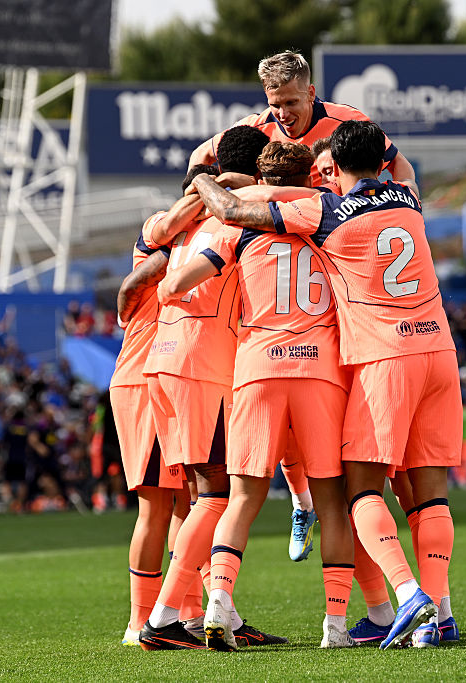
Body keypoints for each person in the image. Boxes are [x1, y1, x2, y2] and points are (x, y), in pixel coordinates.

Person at [191, 120, 461, 649]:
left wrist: (202, 176)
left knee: (360, 489)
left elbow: (231, 210)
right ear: (382, 163)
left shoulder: (325, 211)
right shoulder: (408, 197)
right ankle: (441, 613)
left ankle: (408, 600)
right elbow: (399, 164)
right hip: (441, 352)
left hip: (383, 357)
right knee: (431, 497)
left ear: (333, 169)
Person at [158, 141, 355, 649]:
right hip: (319, 371)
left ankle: (219, 604)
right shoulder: (327, 215)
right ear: (309, 174)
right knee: (331, 501)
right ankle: (335, 626)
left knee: (241, 499)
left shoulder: (237, 226)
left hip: (259, 366)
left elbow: (174, 284)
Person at [135, 126, 286, 651]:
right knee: (217, 493)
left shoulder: (187, 211)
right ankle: (161, 619)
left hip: (165, 359)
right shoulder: (236, 212)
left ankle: (214, 615)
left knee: (201, 496)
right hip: (203, 364)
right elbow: (177, 283)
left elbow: (150, 269)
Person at [110, 207, 191, 648]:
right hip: (146, 382)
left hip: (166, 380)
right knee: (159, 507)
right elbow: (135, 280)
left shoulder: (187, 252)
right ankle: (141, 620)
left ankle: (185, 613)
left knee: (189, 502)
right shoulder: (164, 244)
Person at [188, 51, 417, 190]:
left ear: (310, 92)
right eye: (274, 105)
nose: (283, 114)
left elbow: (399, 165)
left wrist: (408, 200)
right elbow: (200, 155)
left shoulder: (347, 122)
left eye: (291, 103)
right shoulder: (254, 129)